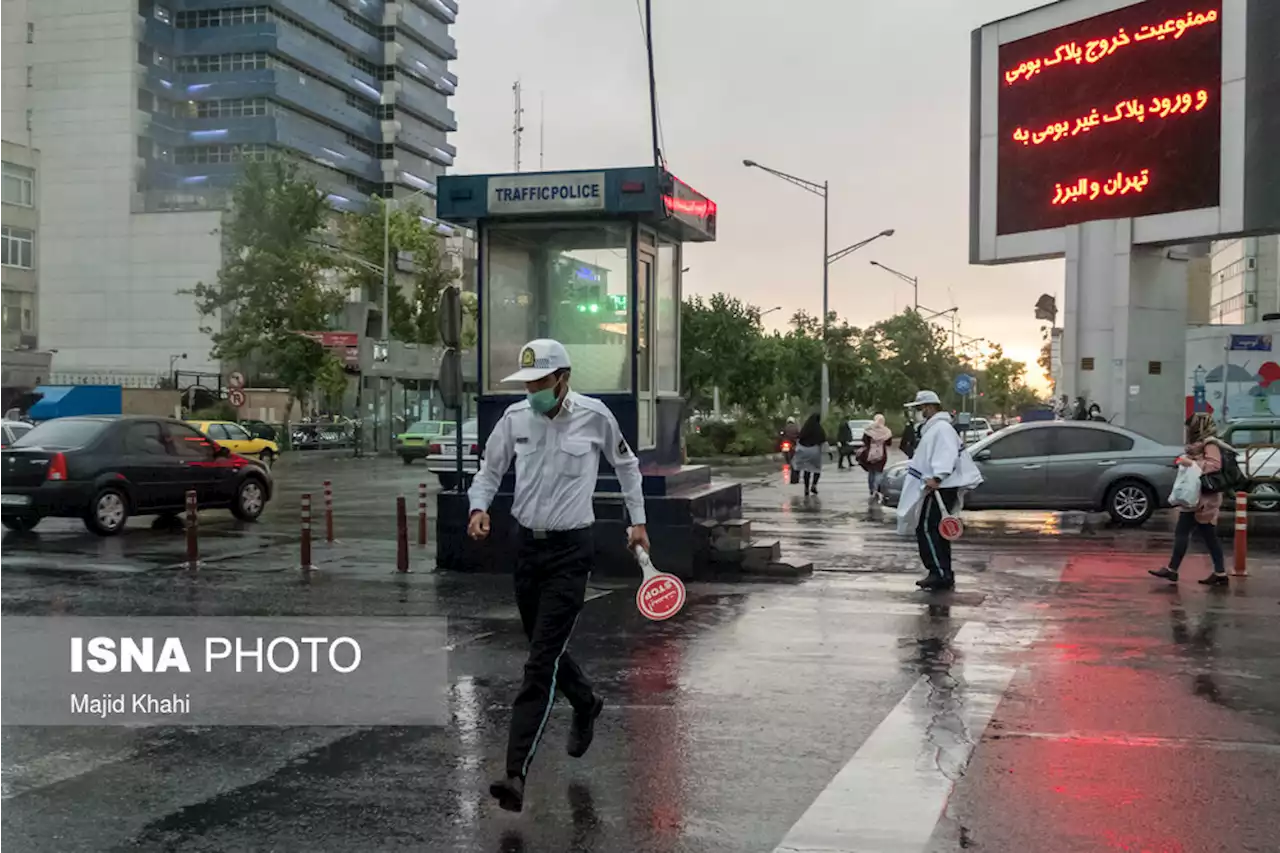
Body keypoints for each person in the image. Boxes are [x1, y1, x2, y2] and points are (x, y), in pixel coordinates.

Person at [468, 338, 649, 812]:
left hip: (572, 551)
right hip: (527, 547)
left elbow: (627, 465)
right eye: (526, 384)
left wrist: (638, 522)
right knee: (541, 648)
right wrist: (478, 508)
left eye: (540, 382)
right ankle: (586, 701)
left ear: (562, 378)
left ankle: (514, 773)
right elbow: (489, 470)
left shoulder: (594, 417)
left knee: (539, 664)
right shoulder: (515, 419)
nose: (532, 391)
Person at [896, 391, 982, 592]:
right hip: (939, 485)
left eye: (920, 408)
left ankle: (938, 572)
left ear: (929, 407)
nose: (919, 412)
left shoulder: (941, 429)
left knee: (927, 529)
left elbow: (946, 454)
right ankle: (942, 571)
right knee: (937, 530)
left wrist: (938, 477)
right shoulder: (936, 428)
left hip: (940, 486)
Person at [1149, 412, 1230, 587]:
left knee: (1194, 534)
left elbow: (1214, 466)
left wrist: (1191, 463)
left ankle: (1176, 571)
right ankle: (1216, 573)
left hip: (1204, 499)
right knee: (1199, 534)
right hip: (1197, 497)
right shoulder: (1200, 445)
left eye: (1189, 428)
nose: (1187, 431)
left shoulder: (1210, 444)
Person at [861, 413, 893, 500]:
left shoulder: (869, 429)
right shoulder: (886, 431)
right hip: (882, 455)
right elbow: (889, 443)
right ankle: (876, 490)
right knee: (878, 472)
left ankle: (871, 490)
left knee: (871, 472)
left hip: (870, 454)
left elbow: (864, 440)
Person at [793, 412, 826, 495]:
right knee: (816, 469)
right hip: (815, 451)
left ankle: (806, 488)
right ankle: (814, 485)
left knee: (807, 470)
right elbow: (823, 440)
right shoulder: (819, 429)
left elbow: (799, 438)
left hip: (804, 451)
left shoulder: (805, 428)